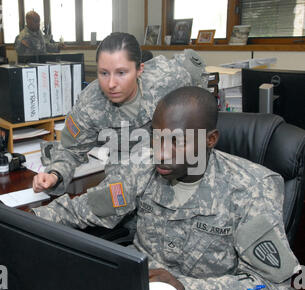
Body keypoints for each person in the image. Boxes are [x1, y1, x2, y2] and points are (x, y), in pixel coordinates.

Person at [32, 86, 300, 290]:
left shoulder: (252, 188)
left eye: (177, 141)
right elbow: (84, 210)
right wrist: (22, 220)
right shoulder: (142, 166)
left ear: (210, 139)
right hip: (135, 289)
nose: (161, 152)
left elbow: (274, 285)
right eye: (157, 136)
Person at [32, 32, 207, 196]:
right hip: (124, 178)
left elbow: (200, 98)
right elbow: (70, 151)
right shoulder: (90, 105)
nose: (111, 84)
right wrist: (54, 175)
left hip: (172, 172)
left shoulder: (169, 78)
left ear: (139, 70)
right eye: (104, 73)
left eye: (121, 73)